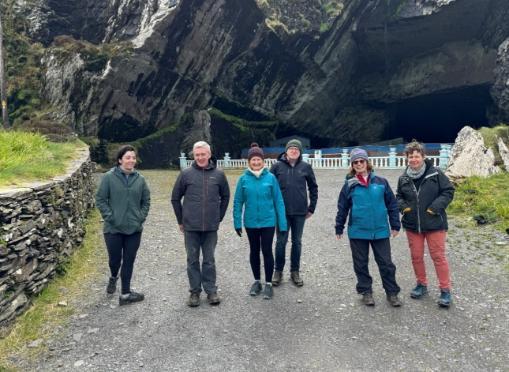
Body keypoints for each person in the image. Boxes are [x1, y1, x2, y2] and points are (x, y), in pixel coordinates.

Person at [335, 148, 402, 307]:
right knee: (360, 263)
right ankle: (366, 292)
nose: (359, 164)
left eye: (361, 161)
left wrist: (395, 224)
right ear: (352, 165)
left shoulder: (381, 182)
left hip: (380, 231)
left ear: (367, 162)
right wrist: (339, 227)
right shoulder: (349, 185)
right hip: (358, 231)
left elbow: (392, 204)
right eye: (355, 162)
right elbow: (343, 207)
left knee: (386, 263)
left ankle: (392, 293)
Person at [171, 141, 230, 307]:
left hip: (211, 227)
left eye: (203, 154)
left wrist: (219, 216)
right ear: (194, 156)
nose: (200, 157)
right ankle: (195, 292)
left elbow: (225, 196)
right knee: (192, 260)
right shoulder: (186, 174)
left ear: (209, 154)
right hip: (191, 226)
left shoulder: (219, 174)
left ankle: (211, 291)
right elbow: (175, 198)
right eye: (197, 155)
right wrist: (180, 220)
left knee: (209, 260)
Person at [396, 141, 455, 307]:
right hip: (412, 224)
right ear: (406, 158)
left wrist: (435, 208)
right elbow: (398, 196)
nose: (414, 159)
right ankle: (421, 285)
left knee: (438, 256)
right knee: (416, 257)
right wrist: (404, 208)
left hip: (435, 222)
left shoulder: (435, 173)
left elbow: (448, 191)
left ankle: (445, 290)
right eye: (411, 156)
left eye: (417, 156)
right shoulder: (404, 177)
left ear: (423, 157)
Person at [96, 145, 151, 306]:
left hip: (134, 229)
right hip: (113, 229)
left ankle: (125, 294)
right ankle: (113, 277)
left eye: (133, 158)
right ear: (120, 160)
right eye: (128, 157)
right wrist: (110, 217)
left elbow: (146, 200)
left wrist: (140, 217)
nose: (131, 160)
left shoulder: (140, 179)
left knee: (129, 260)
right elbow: (100, 199)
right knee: (115, 260)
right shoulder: (108, 177)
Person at [233, 143, 287, 300]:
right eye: (253, 160)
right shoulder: (243, 179)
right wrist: (237, 222)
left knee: (267, 251)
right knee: (254, 251)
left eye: (258, 160)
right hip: (250, 222)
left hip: (268, 222)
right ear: (249, 162)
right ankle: (257, 281)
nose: (256, 163)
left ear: (263, 161)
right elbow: (238, 202)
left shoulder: (271, 178)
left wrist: (282, 223)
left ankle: (268, 283)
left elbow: (279, 201)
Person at [270, 139, 318, 287]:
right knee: (281, 242)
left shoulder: (306, 167)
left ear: (300, 152)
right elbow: (269, 187)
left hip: (299, 212)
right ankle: (278, 271)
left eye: (296, 149)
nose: (294, 151)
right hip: (281, 212)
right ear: (286, 151)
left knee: (297, 242)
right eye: (291, 148)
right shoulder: (276, 167)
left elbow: (313, 188)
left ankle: (295, 271)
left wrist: (311, 207)